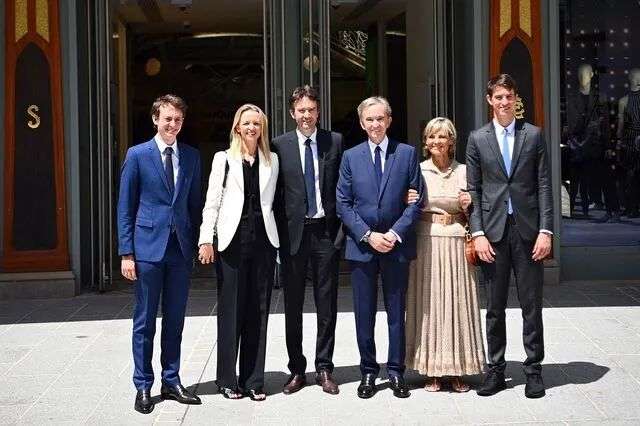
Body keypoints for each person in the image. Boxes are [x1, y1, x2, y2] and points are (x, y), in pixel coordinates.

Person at [466, 74, 553, 399]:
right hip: (493, 233)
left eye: (509, 96)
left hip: (528, 232)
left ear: (516, 99)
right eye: (499, 97)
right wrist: (478, 233)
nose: (504, 102)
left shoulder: (534, 135)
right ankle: (496, 371)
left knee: (532, 305)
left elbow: (544, 184)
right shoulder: (477, 138)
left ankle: (533, 371)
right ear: (490, 100)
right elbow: (474, 189)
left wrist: (546, 230)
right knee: (494, 307)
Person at [117, 94, 202, 414]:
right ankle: (143, 385)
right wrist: (126, 252)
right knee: (145, 321)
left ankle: (171, 380)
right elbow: (125, 207)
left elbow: (194, 205)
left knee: (175, 320)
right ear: (155, 119)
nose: (172, 124)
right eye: (167, 118)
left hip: (179, 250)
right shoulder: (137, 155)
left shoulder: (192, 156)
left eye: (178, 119)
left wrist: (197, 242)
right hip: (147, 249)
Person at [336, 96, 423, 399]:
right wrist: (368, 235)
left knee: (396, 312)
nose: (375, 124)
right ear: (362, 123)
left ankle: (396, 371)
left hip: (396, 247)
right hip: (362, 247)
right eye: (369, 119)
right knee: (364, 313)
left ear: (389, 120)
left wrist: (395, 233)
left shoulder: (407, 154)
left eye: (380, 118)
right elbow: (343, 203)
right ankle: (369, 372)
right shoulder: (351, 157)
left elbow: (416, 201)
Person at [198, 104, 279, 402]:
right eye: (246, 123)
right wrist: (206, 239)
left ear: (262, 128)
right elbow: (212, 201)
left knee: (259, 312)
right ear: (237, 127)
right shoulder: (223, 159)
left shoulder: (272, 160)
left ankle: (254, 380)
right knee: (231, 311)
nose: (251, 128)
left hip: (263, 243)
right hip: (231, 242)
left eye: (256, 123)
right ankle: (227, 380)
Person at [271, 86, 344, 395]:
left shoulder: (334, 141)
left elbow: (343, 185)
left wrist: (340, 231)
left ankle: (324, 367)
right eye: (301, 110)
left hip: (325, 233)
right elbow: (274, 194)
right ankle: (297, 369)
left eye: (311, 110)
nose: (306, 115)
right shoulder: (279, 145)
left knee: (327, 304)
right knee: (293, 305)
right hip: (294, 235)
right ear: (292, 113)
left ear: (318, 112)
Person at [405, 117, 485, 393]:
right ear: (425, 142)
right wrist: (406, 200)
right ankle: (432, 370)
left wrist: (470, 203)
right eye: (431, 136)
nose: (437, 141)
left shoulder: (464, 171)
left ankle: (458, 369)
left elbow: (480, 206)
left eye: (442, 136)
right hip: (426, 242)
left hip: (457, 243)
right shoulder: (417, 171)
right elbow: (406, 206)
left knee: (457, 302)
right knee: (430, 304)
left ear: (452, 141)